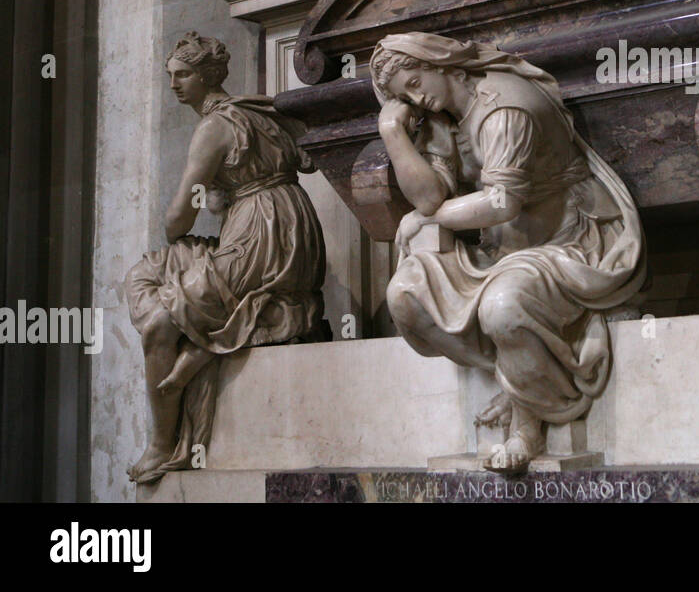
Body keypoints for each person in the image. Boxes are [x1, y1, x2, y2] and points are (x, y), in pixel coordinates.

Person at [371, 33, 645, 473]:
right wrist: (392, 132)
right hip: (504, 248)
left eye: (416, 82)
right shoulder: (441, 117)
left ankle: (527, 426)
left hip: (569, 240)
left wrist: (434, 219)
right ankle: (516, 374)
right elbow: (427, 197)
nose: (416, 97)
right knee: (405, 294)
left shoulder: (505, 108)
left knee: (503, 306)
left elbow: (502, 203)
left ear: (440, 62)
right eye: (406, 95)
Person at [126, 33, 327, 485]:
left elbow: (177, 220)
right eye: (171, 75)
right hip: (295, 224)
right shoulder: (255, 112)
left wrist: (207, 202)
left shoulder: (214, 127)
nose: (175, 84)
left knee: (161, 317)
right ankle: (198, 352)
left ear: (207, 76)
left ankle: (161, 442)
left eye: (184, 75)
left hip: (260, 233)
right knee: (171, 284)